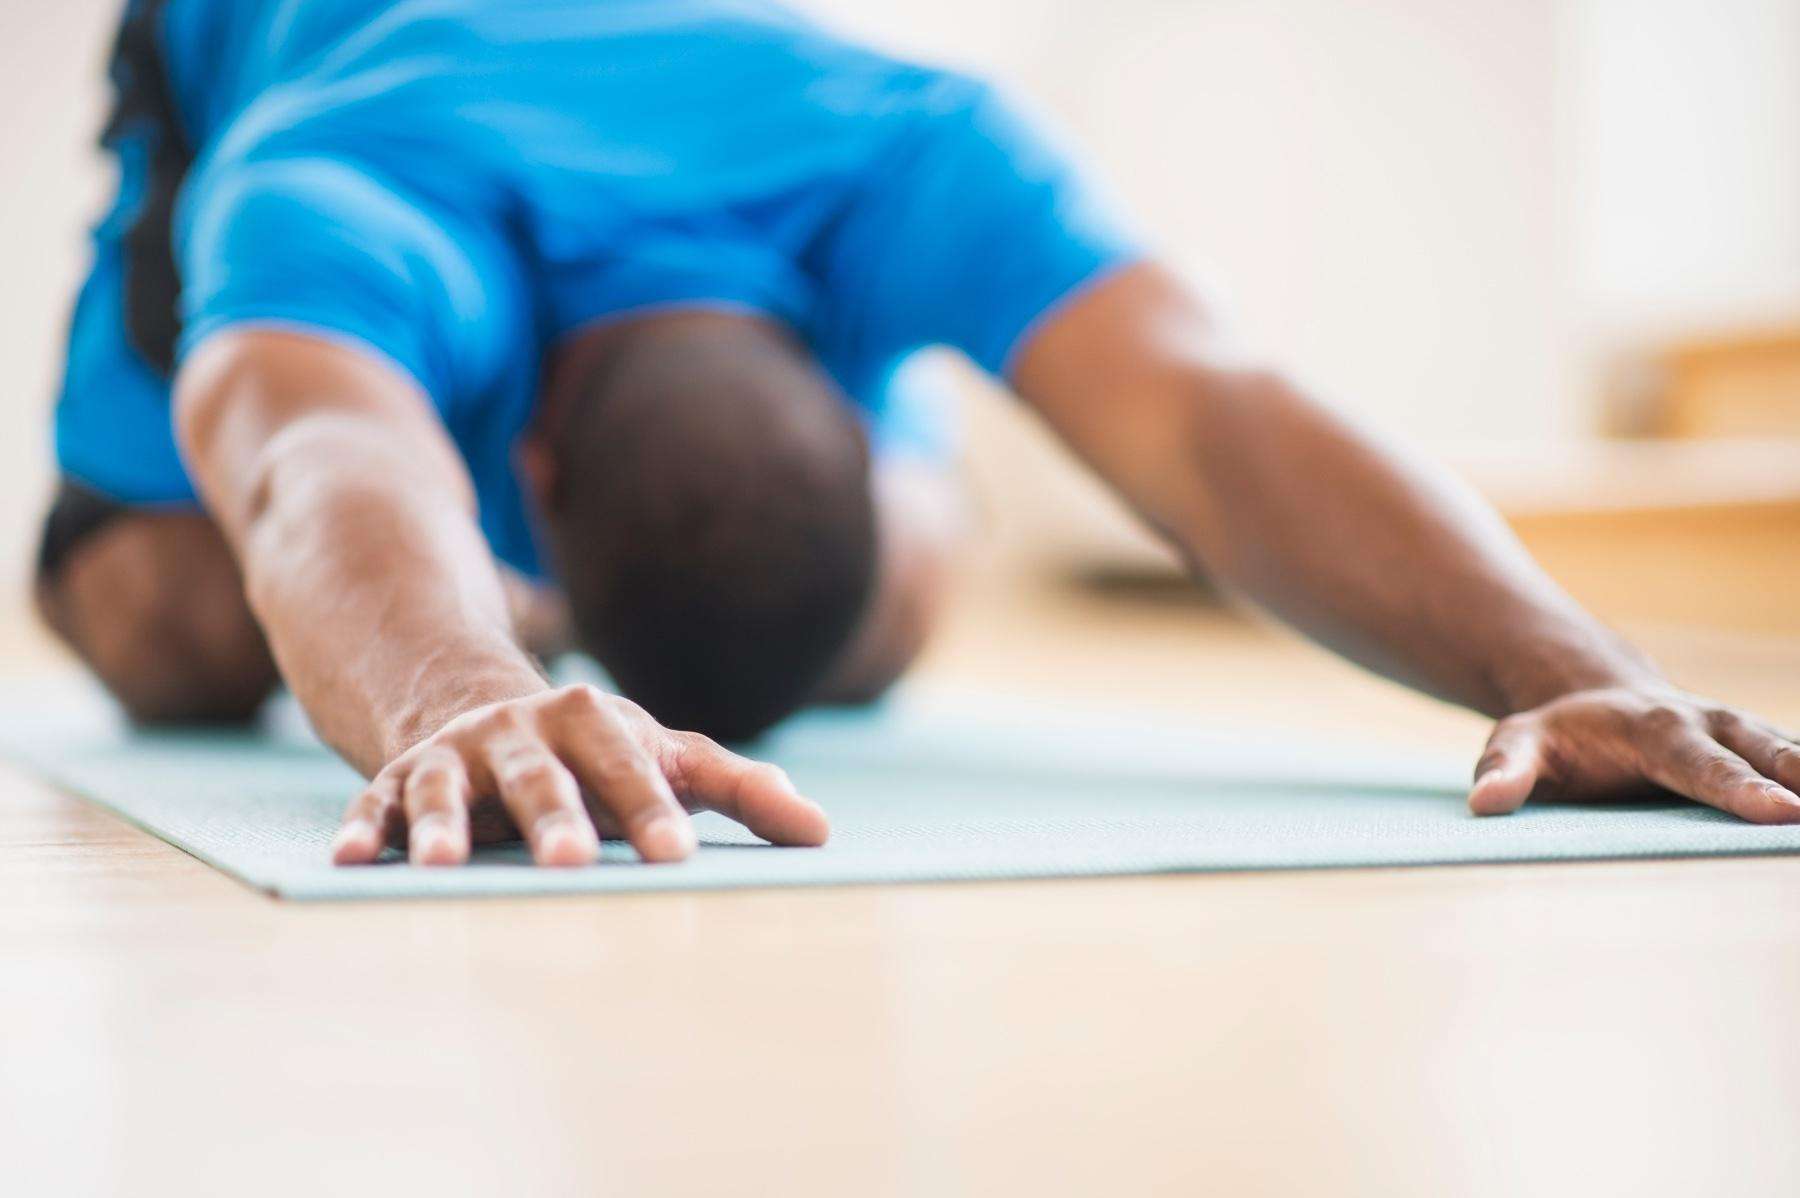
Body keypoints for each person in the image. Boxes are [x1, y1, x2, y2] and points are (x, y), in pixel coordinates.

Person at [36, 0, 1800, 869]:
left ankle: (565, 616)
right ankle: (517, 620)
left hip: (698, 189)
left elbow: (1205, 411)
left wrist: (1569, 665)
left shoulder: (907, 144)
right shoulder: (323, 175)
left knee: (845, 616)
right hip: (268, 46)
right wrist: (452, 694)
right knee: (173, 629)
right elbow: (309, 460)